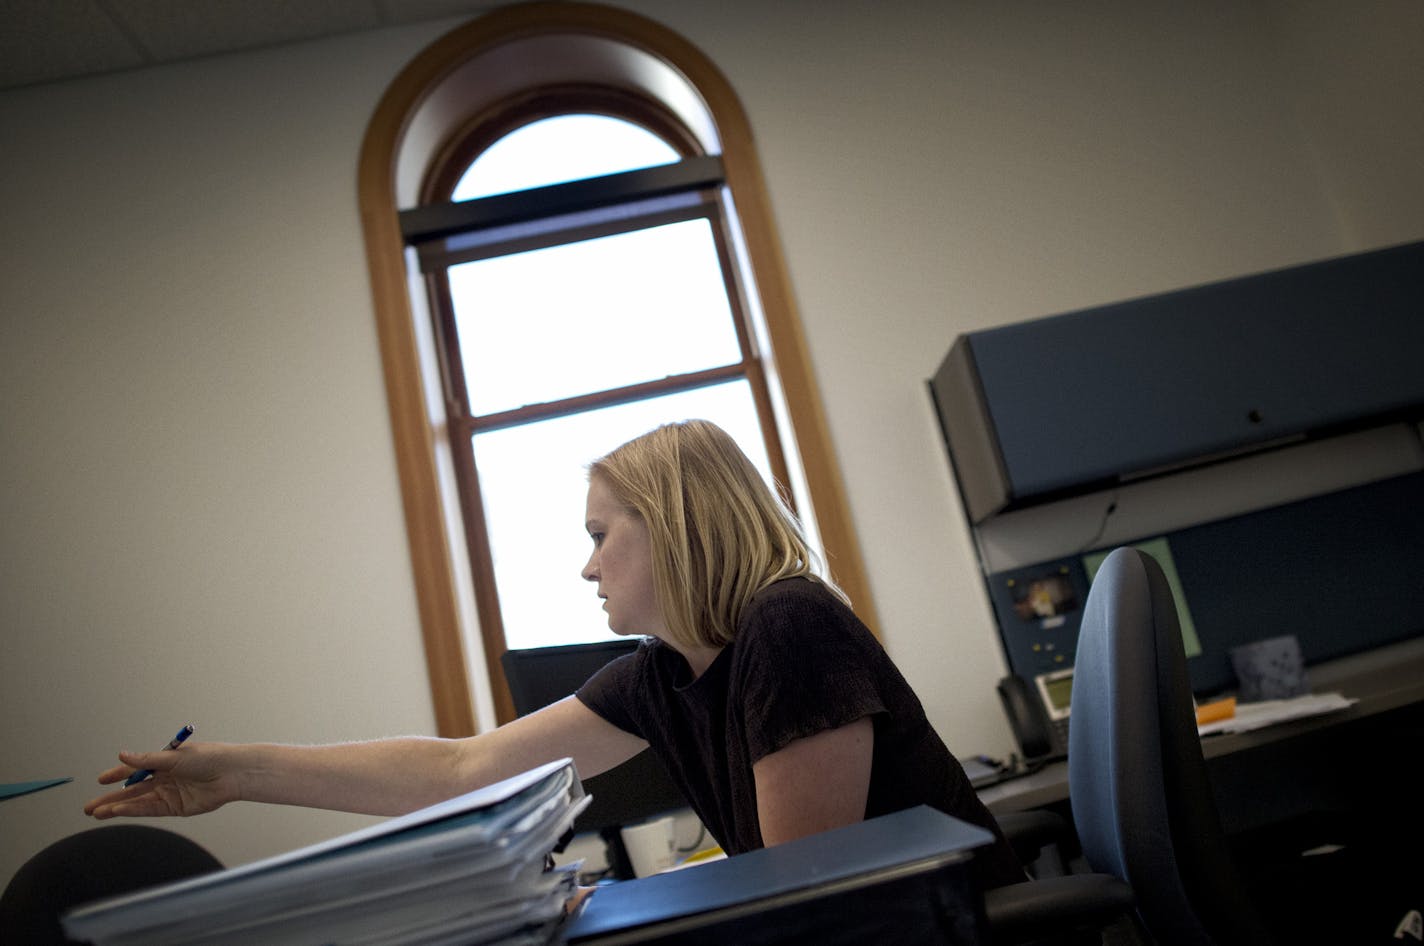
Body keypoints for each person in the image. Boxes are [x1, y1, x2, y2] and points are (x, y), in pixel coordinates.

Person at [85, 419, 1024, 889]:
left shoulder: (789, 625)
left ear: (676, 529)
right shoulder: (663, 677)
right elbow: (461, 767)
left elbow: (798, 896)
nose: (587, 568)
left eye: (600, 534)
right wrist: (238, 773)